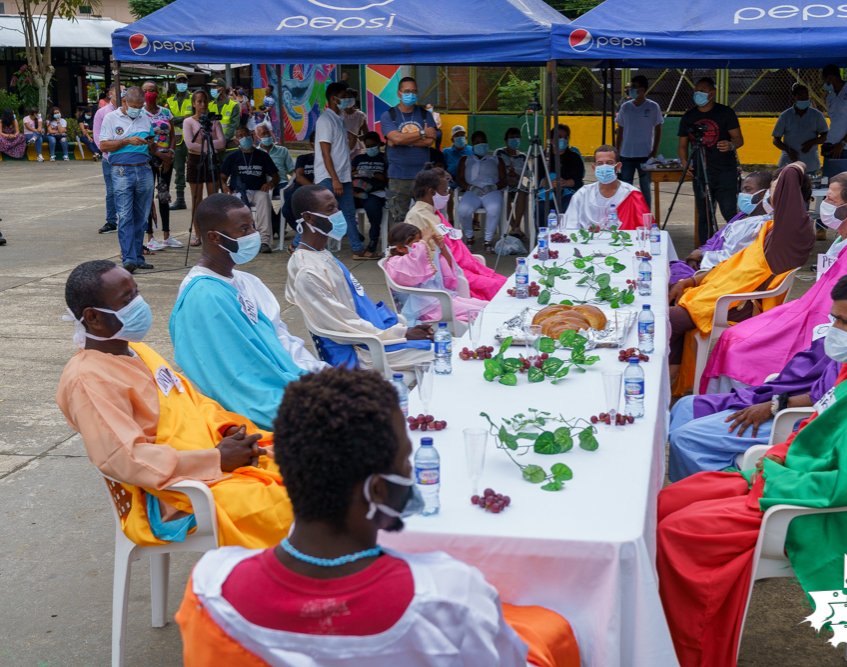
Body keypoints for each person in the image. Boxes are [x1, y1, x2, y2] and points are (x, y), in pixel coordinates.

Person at [176, 367, 581, 666]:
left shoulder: (211, 587)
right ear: (378, 490)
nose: (412, 476)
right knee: (554, 629)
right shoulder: (448, 596)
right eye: (407, 463)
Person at [656, 267, 847, 667]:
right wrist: (775, 461)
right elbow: (817, 436)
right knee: (670, 500)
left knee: (678, 533)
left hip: (821, 513)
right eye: (833, 318)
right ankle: (657, 626)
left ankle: (689, 651)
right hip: (792, 479)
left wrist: (775, 474)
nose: (832, 329)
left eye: (842, 321)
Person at [56, 260, 293, 548]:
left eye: (137, 292)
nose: (139, 303)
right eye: (127, 299)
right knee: (288, 505)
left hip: (212, 456)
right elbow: (125, 458)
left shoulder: (137, 351)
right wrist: (215, 459)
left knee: (310, 462)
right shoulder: (88, 380)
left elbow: (193, 402)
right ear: (93, 317)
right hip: (171, 494)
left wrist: (228, 430)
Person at [668, 233, 847, 482]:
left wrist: (776, 405)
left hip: (801, 414)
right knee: (683, 408)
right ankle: (709, 487)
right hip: (786, 393)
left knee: (686, 438)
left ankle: (726, 491)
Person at [702, 170, 847, 393]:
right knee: (733, 335)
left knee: (738, 345)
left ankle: (732, 405)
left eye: (830, 199)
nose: (823, 204)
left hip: (820, 326)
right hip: (809, 310)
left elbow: (832, 307)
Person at [170, 194, 327, 430]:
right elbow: (233, 377)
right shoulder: (203, 296)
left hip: (293, 378)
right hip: (260, 402)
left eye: (252, 225)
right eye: (244, 229)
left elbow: (281, 340)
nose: (253, 235)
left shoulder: (248, 281)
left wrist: (318, 375)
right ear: (214, 237)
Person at [668, 163, 814, 396]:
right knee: (667, 298)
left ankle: (663, 378)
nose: (770, 194)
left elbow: (790, 175)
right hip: (719, 291)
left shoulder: (794, 231)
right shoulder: (770, 225)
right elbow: (732, 265)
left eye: (775, 188)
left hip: (741, 303)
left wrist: (798, 164)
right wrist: (690, 282)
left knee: (664, 319)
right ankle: (669, 378)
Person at [285, 185, 434, 370]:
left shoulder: (322, 254)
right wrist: (402, 334)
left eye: (337, 207)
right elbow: (344, 325)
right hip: (360, 352)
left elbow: (360, 304)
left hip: (375, 339)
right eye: (330, 209)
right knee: (445, 351)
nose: (338, 213)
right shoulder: (306, 271)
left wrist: (405, 330)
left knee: (446, 343)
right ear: (309, 218)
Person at [405, 168, 506, 300]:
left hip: (461, 267)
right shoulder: (416, 216)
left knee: (505, 282)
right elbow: (423, 257)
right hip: (447, 274)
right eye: (445, 191)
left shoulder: (433, 213)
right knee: (499, 287)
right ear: (432, 192)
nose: (448, 195)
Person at [678, 77, 743, 242]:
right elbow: (682, 145)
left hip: (725, 171)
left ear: (712, 93)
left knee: (729, 212)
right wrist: (685, 162)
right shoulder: (689, 115)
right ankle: (704, 250)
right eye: (696, 90)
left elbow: (739, 139)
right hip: (700, 172)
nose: (698, 93)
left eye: (703, 90)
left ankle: (737, 246)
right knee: (704, 215)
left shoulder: (725, 112)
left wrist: (730, 145)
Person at [99, 87, 156, 273]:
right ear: (124, 102)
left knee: (141, 216)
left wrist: (151, 143)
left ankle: (138, 257)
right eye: (133, 106)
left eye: (140, 107)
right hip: (122, 171)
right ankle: (128, 259)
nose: (137, 110)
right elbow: (104, 145)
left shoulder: (145, 118)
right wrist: (126, 141)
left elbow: (153, 147)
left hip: (144, 169)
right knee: (125, 216)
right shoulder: (111, 118)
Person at [385, 223, 488, 325]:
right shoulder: (395, 264)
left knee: (487, 305)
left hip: (437, 301)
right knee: (481, 312)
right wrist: (425, 238)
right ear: (400, 248)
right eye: (417, 243)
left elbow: (446, 277)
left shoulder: (414, 260)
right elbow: (414, 259)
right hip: (423, 309)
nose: (422, 245)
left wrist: (442, 247)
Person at [679, 171, 775, 278]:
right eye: (742, 189)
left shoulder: (761, 225)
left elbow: (738, 257)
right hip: (709, 264)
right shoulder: (743, 216)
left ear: (763, 194)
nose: (742, 194)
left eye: (748, 189)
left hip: (722, 273)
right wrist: (698, 255)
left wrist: (703, 255)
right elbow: (717, 239)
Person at [315, 81, 369, 260]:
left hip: (342, 176)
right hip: (329, 177)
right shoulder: (325, 120)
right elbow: (325, 152)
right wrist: (335, 179)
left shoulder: (339, 119)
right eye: (344, 97)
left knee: (348, 213)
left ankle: (357, 249)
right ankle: (298, 244)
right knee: (319, 213)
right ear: (333, 98)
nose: (348, 100)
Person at [380, 77, 438, 226]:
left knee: (425, 219)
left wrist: (400, 139)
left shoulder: (425, 114)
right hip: (398, 177)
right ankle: (401, 249)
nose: (410, 94)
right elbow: (398, 139)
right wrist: (422, 133)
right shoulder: (388, 116)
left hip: (422, 177)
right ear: (399, 93)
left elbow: (429, 141)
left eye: (413, 91)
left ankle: (423, 249)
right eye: (406, 91)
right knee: (400, 221)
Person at [220, 126, 280, 254]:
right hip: (238, 192)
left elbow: (276, 177)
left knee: (264, 198)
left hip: (258, 191)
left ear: (252, 136)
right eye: (241, 136)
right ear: (236, 141)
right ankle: (238, 240)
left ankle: (264, 241)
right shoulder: (232, 157)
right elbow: (222, 177)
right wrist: (224, 185)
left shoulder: (262, 156)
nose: (245, 138)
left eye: (247, 135)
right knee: (232, 205)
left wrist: (270, 183)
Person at [563, 145, 650, 231]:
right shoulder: (582, 194)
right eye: (600, 163)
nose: (604, 167)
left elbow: (645, 229)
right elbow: (570, 226)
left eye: (609, 163)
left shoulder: (632, 194)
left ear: (618, 166)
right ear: (594, 168)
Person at [140, 81, 181, 252]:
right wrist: (160, 155)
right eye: (145, 91)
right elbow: (145, 140)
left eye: (152, 91)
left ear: (158, 93)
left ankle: (166, 235)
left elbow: (173, 136)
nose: (149, 94)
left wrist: (170, 153)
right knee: (148, 197)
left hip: (166, 160)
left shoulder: (165, 112)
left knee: (164, 196)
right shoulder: (140, 114)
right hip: (148, 159)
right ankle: (150, 237)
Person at [183, 89, 226, 246]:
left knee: (213, 198)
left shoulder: (214, 121)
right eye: (199, 101)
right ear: (194, 103)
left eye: (205, 101)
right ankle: (198, 234)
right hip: (195, 161)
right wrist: (210, 145)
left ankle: (215, 232)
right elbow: (190, 144)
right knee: (197, 199)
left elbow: (222, 142)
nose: (202, 104)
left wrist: (203, 145)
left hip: (211, 160)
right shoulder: (188, 122)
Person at [615, 74, 662, 207]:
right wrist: (616, 152)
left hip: (645, 156)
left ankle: (646, 216)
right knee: (625, 189)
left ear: (642, 89)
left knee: (645, 188)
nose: (630, 90)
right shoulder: (625, 107)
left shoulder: (653, 107)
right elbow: (620, 131)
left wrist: (654, 151)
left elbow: (658, 130)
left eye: (634, 87)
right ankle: (627, 215)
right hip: (626, 155)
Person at [456, 130, 505, 253]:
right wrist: (470, 187)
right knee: (463, 210)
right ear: (472, 145)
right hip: (472, 190)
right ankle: (470, 237)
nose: (481, 144)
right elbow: (459, 179)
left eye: (483, 142)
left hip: (492, 190)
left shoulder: (496, 159)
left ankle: (488, 241)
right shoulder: (465, 159)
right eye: (477, 142)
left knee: (494, 209)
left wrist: (494, 187)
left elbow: (505, 180)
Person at [771, 84, 828, 175]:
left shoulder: (817, 115)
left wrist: (812, 142)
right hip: (789, 162)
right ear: (794, 98)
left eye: (806, 95)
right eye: (800, 96)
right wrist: (788, 150)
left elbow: (826, 136)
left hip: (810, 163)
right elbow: (776, 140)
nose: (804, 98)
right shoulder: (785, 116)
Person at [254, 123, 295, 241]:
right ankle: (278, 225)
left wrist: (292, 181)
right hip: (263, 184)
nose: (267, 136)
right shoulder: (255, 153)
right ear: (257, 137)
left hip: (281, 182)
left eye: (268, 133)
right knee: (263, 197)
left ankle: (276, 224)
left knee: (290, 195)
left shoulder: (282, 150)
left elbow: (292, 170)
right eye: (263, 134)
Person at [538, 123, 585, 226]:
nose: (562, 140)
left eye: (565, 137)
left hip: (568, 191)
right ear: (551, 139)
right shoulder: (542, 158)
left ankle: (564, 235)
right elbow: (538, 179)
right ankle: (543, 235)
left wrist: (565, 183)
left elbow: (578, 178)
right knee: (542, 208)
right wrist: (551, 183)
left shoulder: (574, 157)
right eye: (559, 137)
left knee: (567, 207)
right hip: (548, 192)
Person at [351, 131, 388, 257]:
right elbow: (349, 174)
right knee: (341, 207)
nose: (370, 148)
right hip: (356, 190)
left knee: (372, 206)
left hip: (376, 191)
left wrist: (372, 173)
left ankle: (374, 239)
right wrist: (359, 172)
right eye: (368, 146)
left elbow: (386, 177)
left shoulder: (384, 158)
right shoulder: (359, 159)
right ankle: (355, 235)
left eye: (373, 145)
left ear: (379, 144)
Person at [94, 90, 122, 234]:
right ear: (111, 93)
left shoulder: (130, 111)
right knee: (111, 190)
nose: (123, 94)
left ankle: (127, 220)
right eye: (120, 91)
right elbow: (97, 135)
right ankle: (111, 221)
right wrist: (107, 150)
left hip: (126, 157)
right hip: (108, 157)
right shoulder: (102, 113)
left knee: (127, 190)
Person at [495, 126, 529, 241]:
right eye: (511, 137)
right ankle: (515, 228)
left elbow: (527, 175)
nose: (515, 140)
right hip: (503, 185)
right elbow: (494, 170)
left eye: (517, 137)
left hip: (517, 185)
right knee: (506, 196)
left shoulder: (523, 157)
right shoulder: (499, 153)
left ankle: (515, 227)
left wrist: (516, 174)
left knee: (522, 192)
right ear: (506, 140)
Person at [282, 132, 315, 245]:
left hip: (317, 194)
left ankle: (309, 236)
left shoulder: (328, 160)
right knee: (286, 210)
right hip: (301, 190)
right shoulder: (304, 158)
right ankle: (304, 234)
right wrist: (314, 188)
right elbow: (299, 177)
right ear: (312, 144)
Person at [167, 73, 194, 211]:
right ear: (175, 83)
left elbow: (197, 117)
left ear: (187, 83)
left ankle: (197, 197)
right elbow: (168, 120)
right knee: (179, 170)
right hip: (177, 140)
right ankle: (180, 199)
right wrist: (184, 118)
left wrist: (178, 119)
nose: (182, 83)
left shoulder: (193, 99)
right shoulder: (170, 101)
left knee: (194, 169)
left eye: (184, 81)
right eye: (179, 81)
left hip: (192, 140)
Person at [442, 125, 473, 223]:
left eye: (462, 135)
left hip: (469, 180)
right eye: (457, 136)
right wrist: (445, 173)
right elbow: (440, 167)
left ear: (466, 138)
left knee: (478, 188)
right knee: (447, 189)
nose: (460, 138)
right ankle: (451, 219)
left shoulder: (472, 150)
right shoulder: (446, 152)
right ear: (452, 139)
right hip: (453, 181)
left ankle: (475, 220)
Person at [208, 77, 241, 154]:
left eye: (214, 87)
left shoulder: (234, 105)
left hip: (230, 144)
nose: (212, 89)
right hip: (215, 144)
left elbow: (234, 125)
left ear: (221, 88)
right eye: (211, 87)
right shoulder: (210, 105)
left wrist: (223, 140)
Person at [339, 87, 368, 160]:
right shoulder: (338, 114)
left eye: (350, 98)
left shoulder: (360, 115)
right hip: (340, 148)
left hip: (355, 149)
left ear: (354, 100)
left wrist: (356, 138)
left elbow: (367, 134)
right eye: (345, 98)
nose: (348, 100)